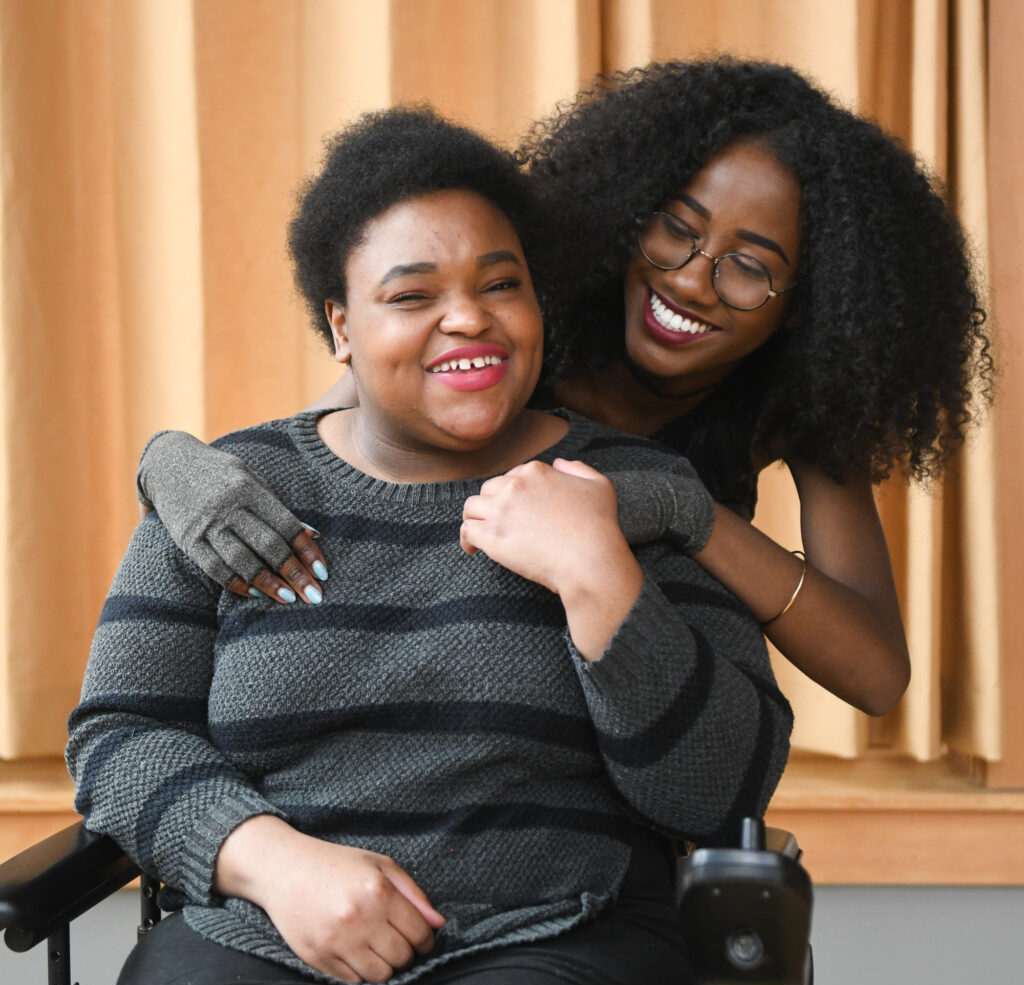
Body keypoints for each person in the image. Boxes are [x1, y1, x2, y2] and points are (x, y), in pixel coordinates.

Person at [68, 106, 791, 985]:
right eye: (412, 297)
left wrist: (601, 579)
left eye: (501, 284)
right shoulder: (231, 495)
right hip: (261, 933)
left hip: (565, 937)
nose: (467, 319)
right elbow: (118, 734)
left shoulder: (631, 488)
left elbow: (721, 789)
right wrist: (271, 861)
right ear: (341, 327)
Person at [135, 58, 992, 719]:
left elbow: (876, 676)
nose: (693, 282)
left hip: (639, 717)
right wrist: (169, 464)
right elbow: (332, 435)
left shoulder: (792, 407)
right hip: (465, 688)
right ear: (628, 211)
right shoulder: (518, 333)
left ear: (809, 303)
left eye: (749, 268)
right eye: (676, 231)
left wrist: (692, 516)